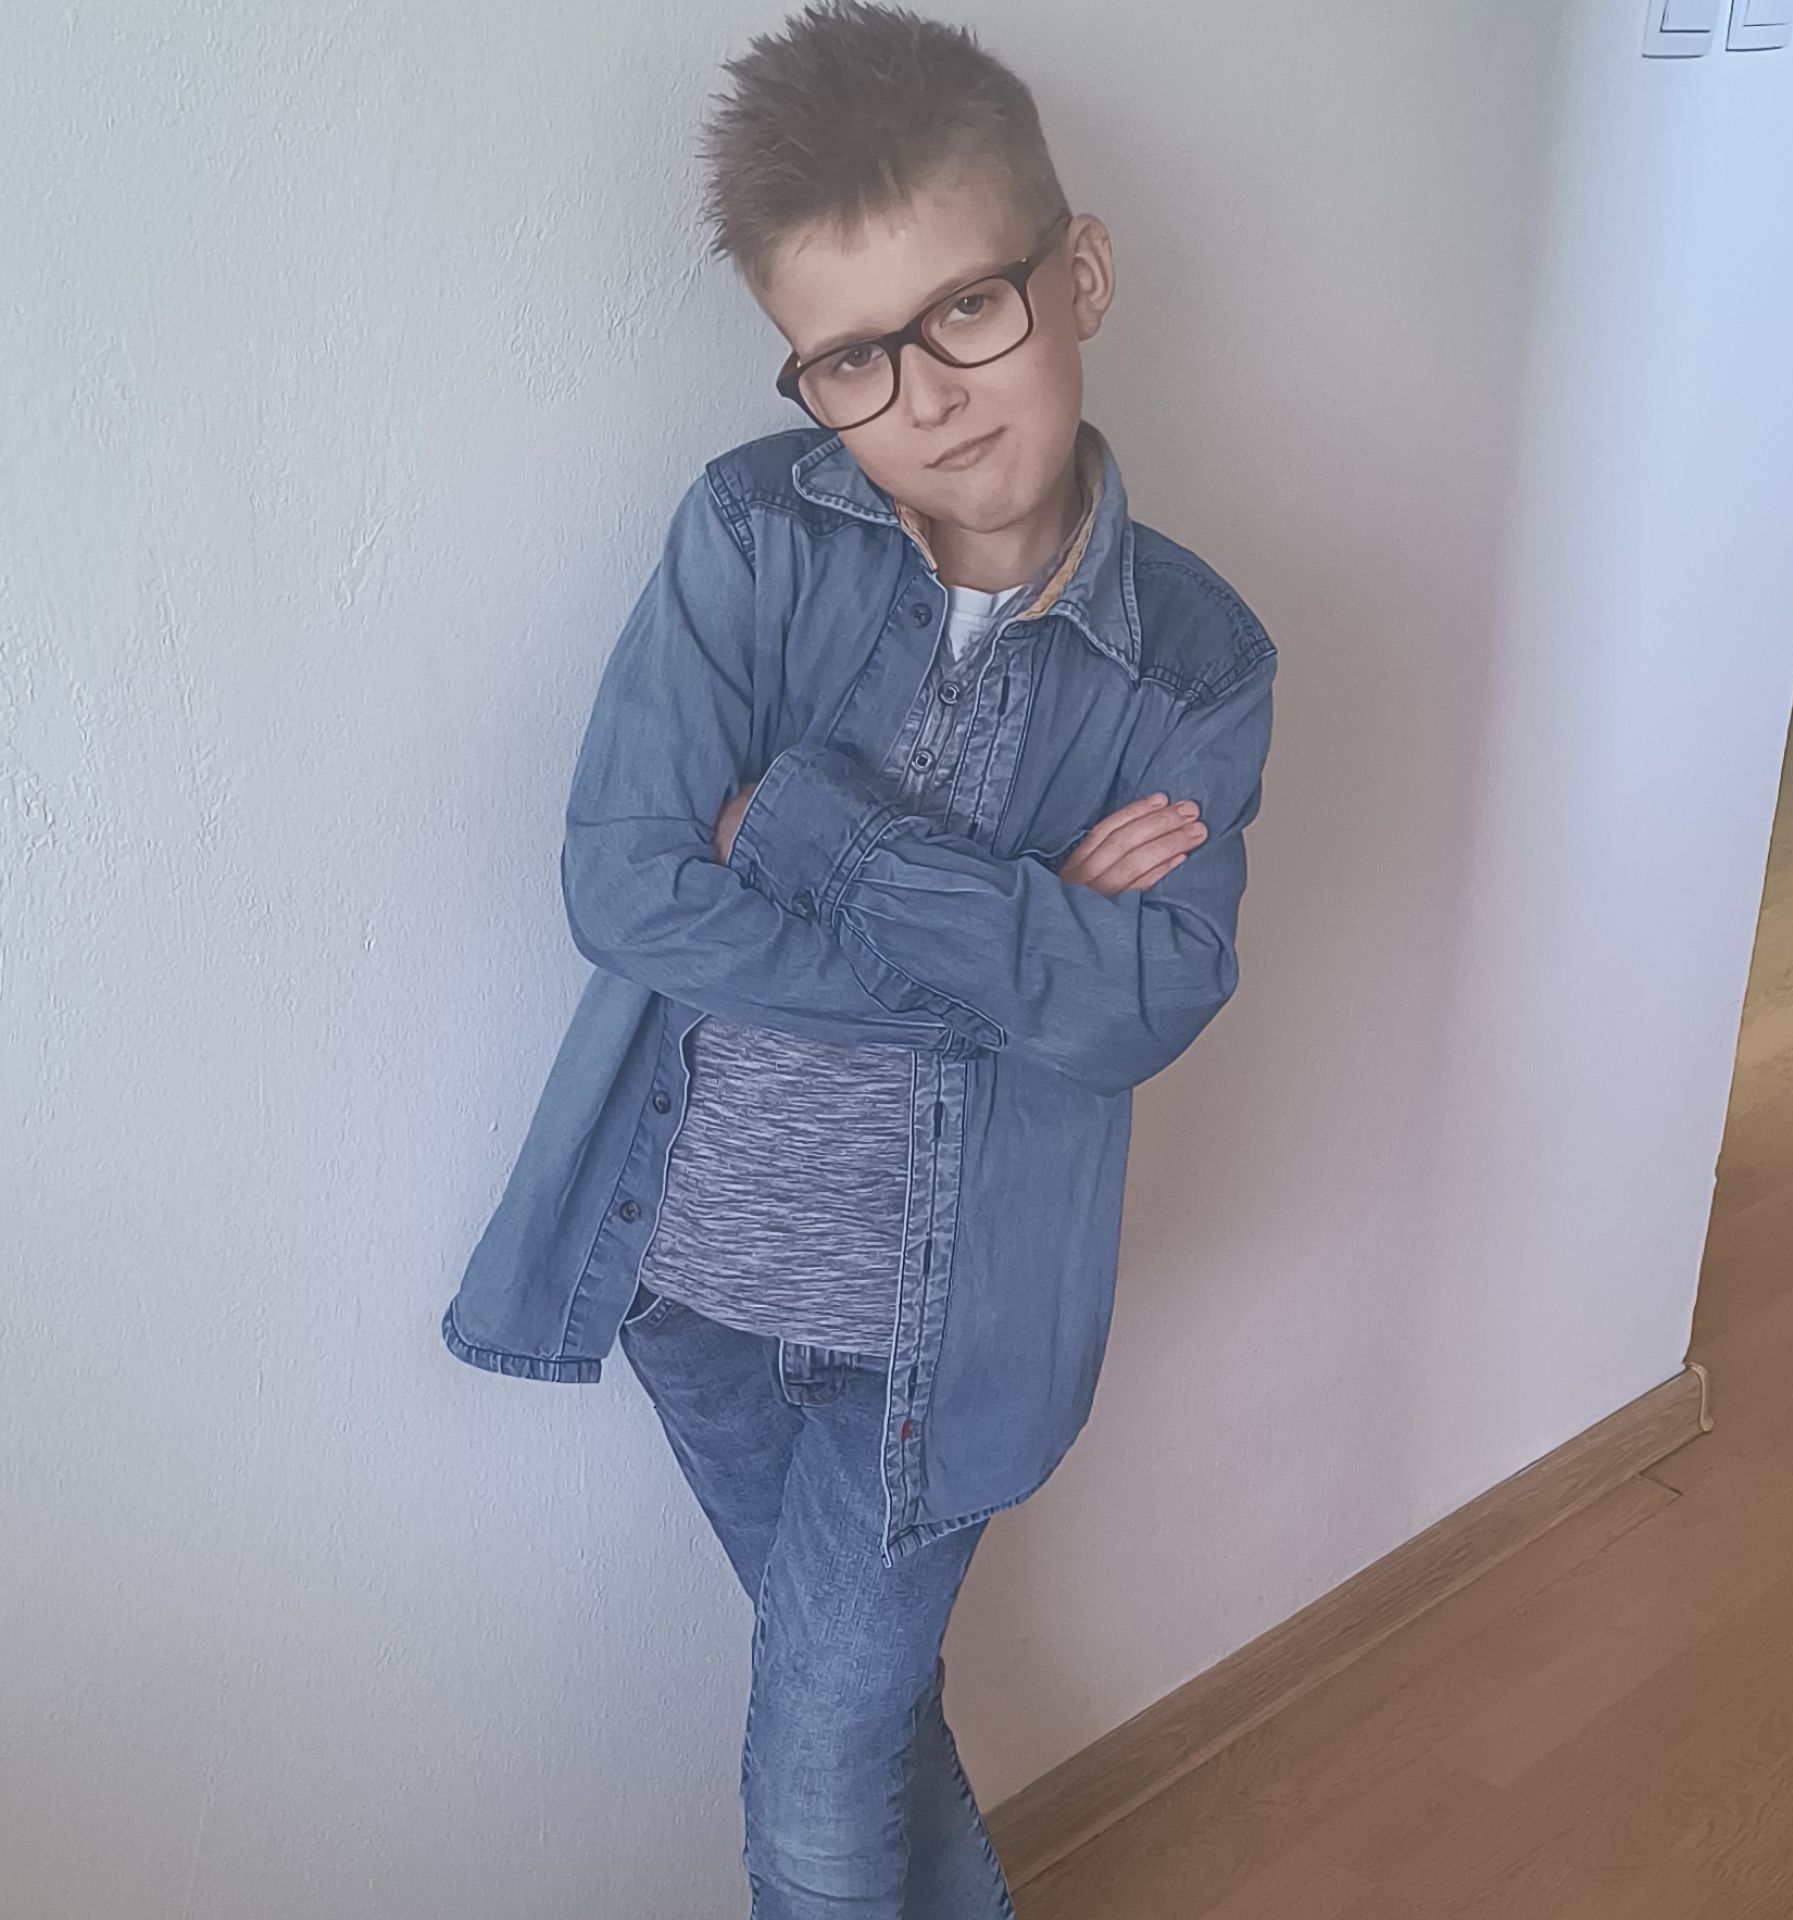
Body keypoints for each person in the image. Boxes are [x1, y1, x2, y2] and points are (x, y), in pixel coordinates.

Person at [439, 3, 1279, 1912]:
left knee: (817, 1774)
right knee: (867, 1728)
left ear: (1078, 275)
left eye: (969, 309)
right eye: (851, 357)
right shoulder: (753, 533)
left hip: (943, 1335)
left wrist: (815, 833)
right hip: (689, 1280)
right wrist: (1019, 936)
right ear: (804, 368)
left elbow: (1139, 1008)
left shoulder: (1196, 660)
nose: (928, 398)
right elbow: (629, 887)